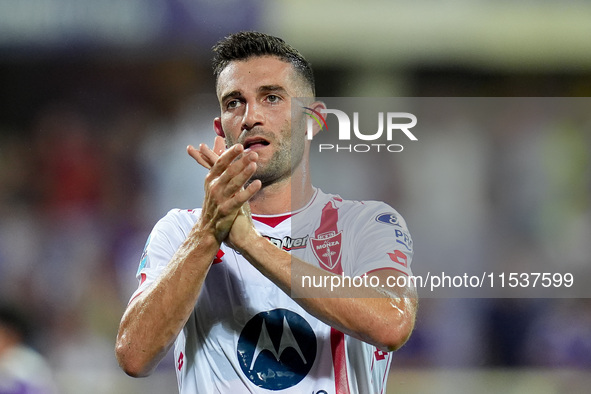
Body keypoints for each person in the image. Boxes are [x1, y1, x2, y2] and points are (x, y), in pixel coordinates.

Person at [115, 31, 417, 393]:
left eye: (271, 97)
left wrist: (250, 243)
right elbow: (134, 356)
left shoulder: (365, 224)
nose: (249, 116)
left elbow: (392, 324)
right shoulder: (182, 231)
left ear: (313, 121)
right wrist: (209, 233)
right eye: (233, 103)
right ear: (220, 129)